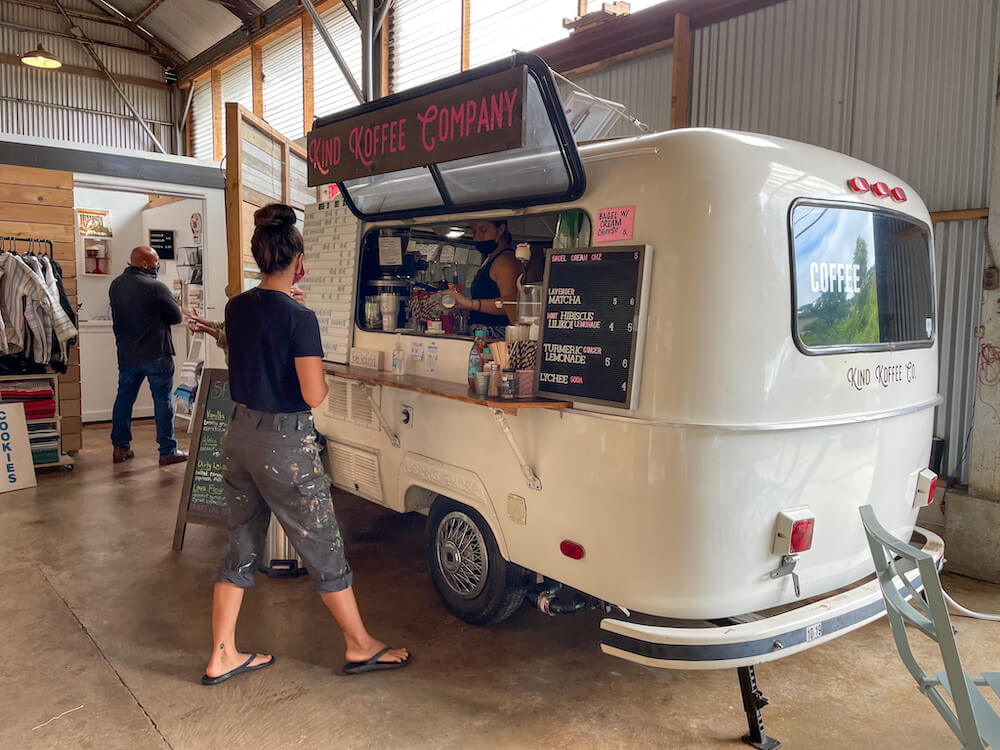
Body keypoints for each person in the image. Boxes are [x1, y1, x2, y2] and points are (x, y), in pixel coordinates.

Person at [203, 203, 409, 685]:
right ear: (299, 262)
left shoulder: (237, 306)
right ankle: (359, 646)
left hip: (238, 435)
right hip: (283, 445)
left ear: (260, 257)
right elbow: (314, 394)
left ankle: (223, 653)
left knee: (239, 544)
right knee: (321, 543)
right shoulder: (300, 317)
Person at [109, 246, 187, 466]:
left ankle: (120, 447)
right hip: (156, 354)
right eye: (155, 261)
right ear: (144, 264)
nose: (157, 264)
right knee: (163, 402)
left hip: (127, 355)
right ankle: (168, 451)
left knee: (124, 399)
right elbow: (176, 317)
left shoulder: (116, 285)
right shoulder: (156, 287)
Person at [447, 220, 520, 337]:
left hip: (495, 336)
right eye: (475, 232)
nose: (477, 237)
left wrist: (469, 303)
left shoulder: (504, 261)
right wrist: (463, 307)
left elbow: (510, 303)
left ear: (501, 229)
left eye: (483, 230)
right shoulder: (490, 259)